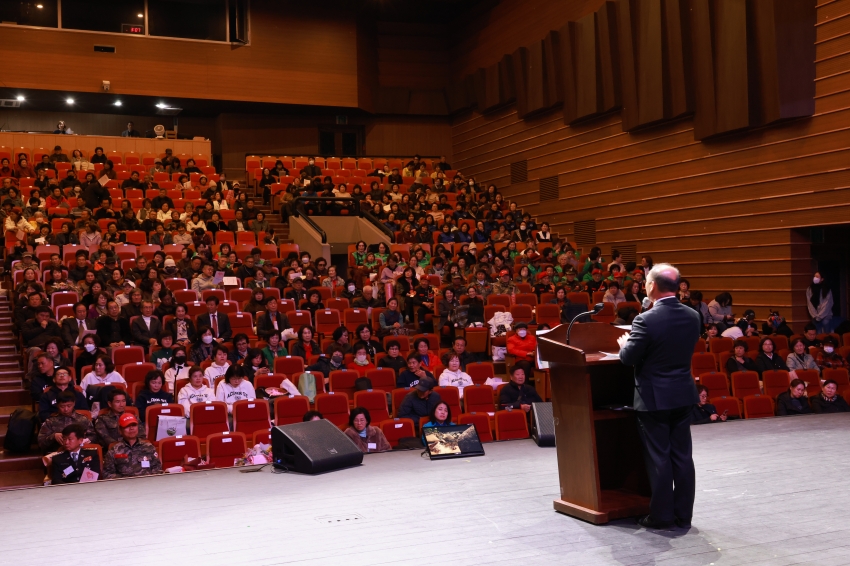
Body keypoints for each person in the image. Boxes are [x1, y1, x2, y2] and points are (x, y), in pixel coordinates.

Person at [617, 263, 701, 530]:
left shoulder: (645, 319)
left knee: (659, 458)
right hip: (683, 394)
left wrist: (624, 345)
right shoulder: (692, 316)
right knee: (682, 457)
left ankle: (662, 516)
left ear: (651, 286)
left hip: (654, 398)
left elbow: (629, 358)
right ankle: (683, 515)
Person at [102, 413, 163, 479]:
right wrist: (125, 480)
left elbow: (157, 470)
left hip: (146, 485)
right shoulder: (113, 451)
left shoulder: (149, 447)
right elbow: (107, 474)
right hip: (124, 486)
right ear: (120, 430)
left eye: (134, 425)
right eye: (127, 426)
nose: (131, 428)